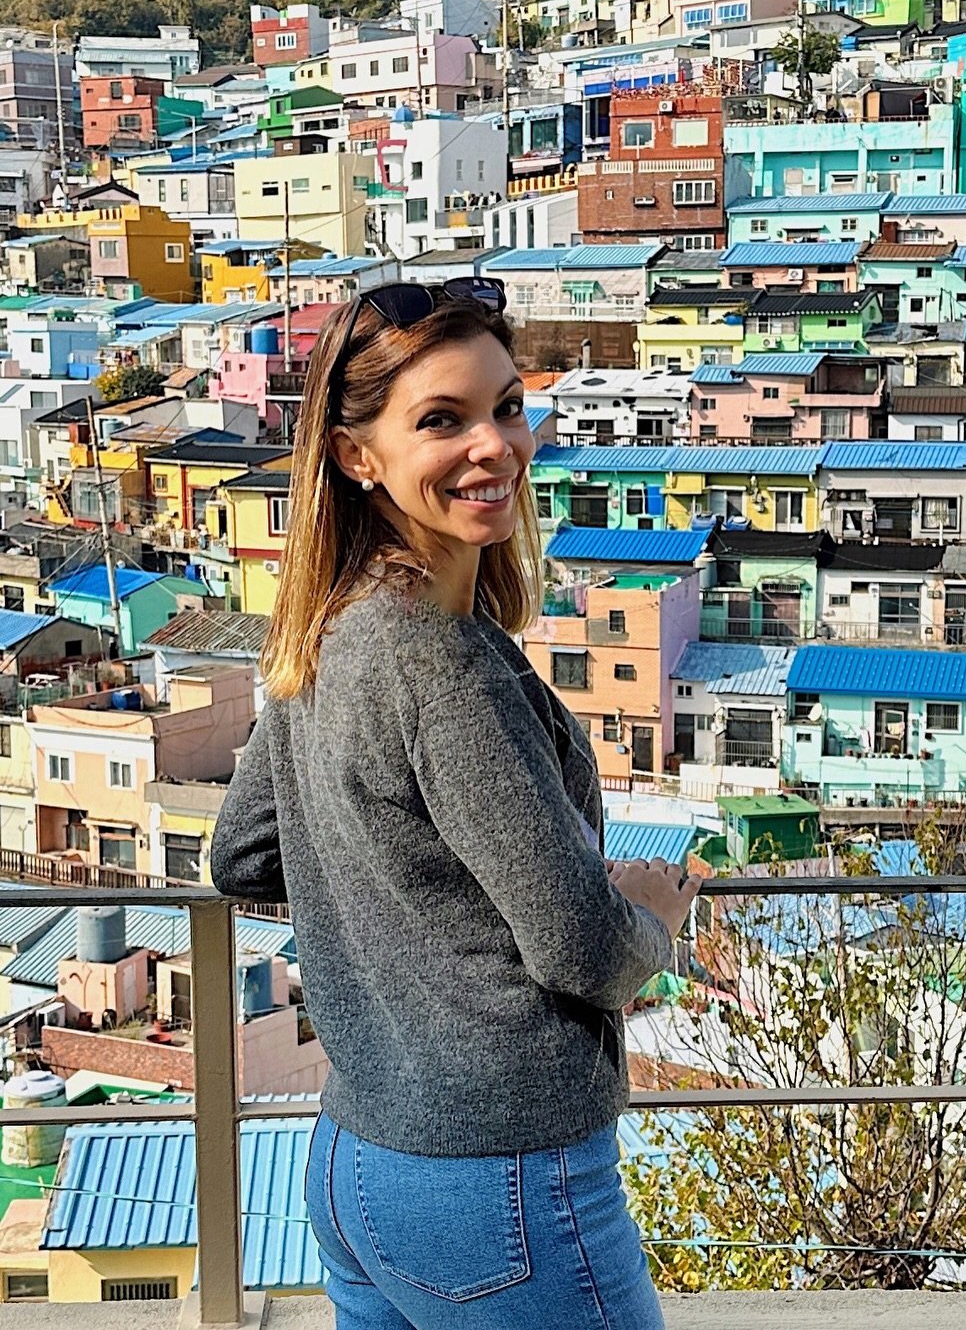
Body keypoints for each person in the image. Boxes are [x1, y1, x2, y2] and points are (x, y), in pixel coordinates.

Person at [210, 278, 699, 1330]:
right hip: (498, 1169)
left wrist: (429, 894)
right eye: (443, 419)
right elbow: (580, 948)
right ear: (357, 455)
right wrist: (653, 916)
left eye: (507, 407)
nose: (495, 446)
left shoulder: (328, 627)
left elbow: (244, 854)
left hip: (357, 1162)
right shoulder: (444, 670)